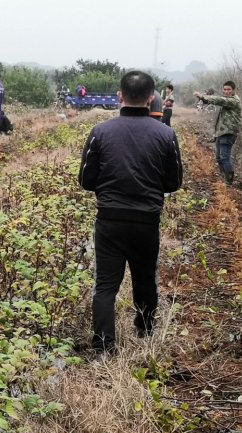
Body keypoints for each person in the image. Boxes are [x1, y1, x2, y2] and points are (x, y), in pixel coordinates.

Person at [78, 70, 184, 356]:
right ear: (152, 99)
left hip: (110, 219)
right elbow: (173, 182)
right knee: (145, 277)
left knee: (105, 286)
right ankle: (145, 332)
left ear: (120, 96)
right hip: (146, 221)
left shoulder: (101, 132)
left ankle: (103, 346)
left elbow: (86, 180)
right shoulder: (166, 134)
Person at [194, 81, 242, 185]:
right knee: (219, 158)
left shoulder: (234, 101)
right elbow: (219, 101)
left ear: (233, 90)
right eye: (224, 89)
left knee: (225, 157)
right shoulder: (227, 100)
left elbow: (219, 100)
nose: (226, 91)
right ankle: (224, 178)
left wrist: (203, 97)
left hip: (228, 133)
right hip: (221, 133)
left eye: (228, 89)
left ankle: (229, 182)